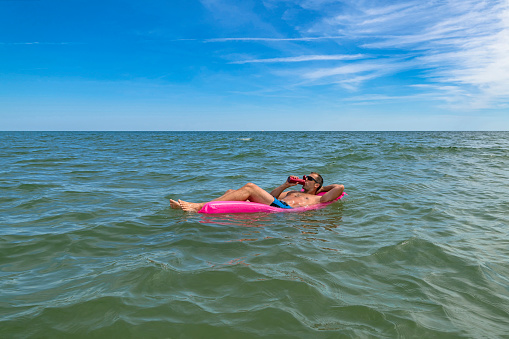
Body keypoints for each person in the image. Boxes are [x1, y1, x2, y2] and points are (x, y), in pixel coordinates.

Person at [170, 172, 344, 212]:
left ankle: (198, 206)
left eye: (309, 179)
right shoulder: (292, 193)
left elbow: (340, 187)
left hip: (285, 211)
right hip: (279, 204)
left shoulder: (318, 199)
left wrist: (320, 188)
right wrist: (285, 185)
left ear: (316, 186)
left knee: (250, 186)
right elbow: (272, 197)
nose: (305, 179)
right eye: (305, 177)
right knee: (232, 191)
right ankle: (201, 208)